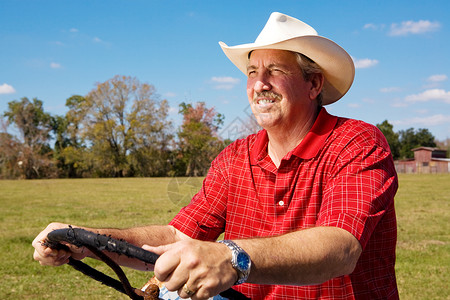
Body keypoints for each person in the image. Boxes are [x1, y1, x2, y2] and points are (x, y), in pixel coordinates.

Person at [32, 12, 399, 300]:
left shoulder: (356, 142)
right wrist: (88, 240)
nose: (259, 84)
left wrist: (231, 257)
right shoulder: (235, 156)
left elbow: (341, 247)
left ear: (314, 84)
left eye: (275, 71)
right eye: (253, 72)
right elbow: (178, 235)